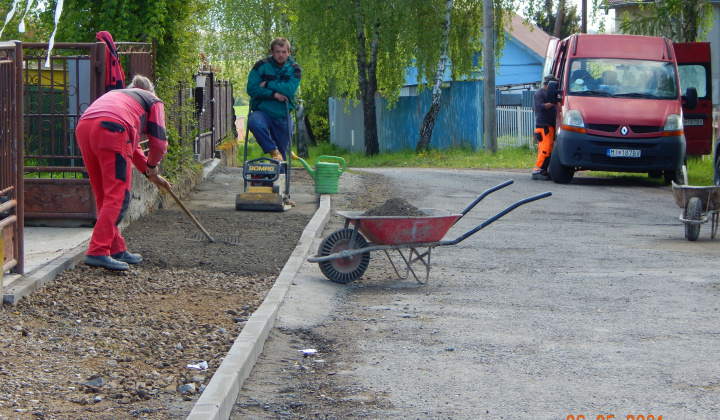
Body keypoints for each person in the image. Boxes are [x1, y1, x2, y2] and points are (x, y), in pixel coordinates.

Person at [75, 75, 172, 271]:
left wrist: (150, 173)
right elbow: (160, 144)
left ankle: (116, 248)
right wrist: (153, 167)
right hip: (112, 130)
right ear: (151, 92)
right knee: (118, 197)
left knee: (104, 195)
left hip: (85, 127)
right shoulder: (154, 101)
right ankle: (97, 251)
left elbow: (133, 148)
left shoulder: (121, 97)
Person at [246, 37, 302, 163]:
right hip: (262, 111)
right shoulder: (261, 66)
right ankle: (272, 150)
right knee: (254, 122)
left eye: (284, 52)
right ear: (271, 52)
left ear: (288, 52)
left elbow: (289, 90)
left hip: (283, 114)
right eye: (277, 51)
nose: (281, 55)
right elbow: (251, 88)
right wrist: (274, 94)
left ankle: (280, 178)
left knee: (281, 159)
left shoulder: (295, 69)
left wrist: (266, 84)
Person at [532, 75, 558, 181]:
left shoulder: (547, 93)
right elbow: (540, 107)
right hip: (543, 126)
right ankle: (537, 170)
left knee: (549, 149)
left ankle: (543, 170)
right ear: (549, 84)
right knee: (545, 149)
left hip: (549, 125)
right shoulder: (540, 93)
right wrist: (552, 102)